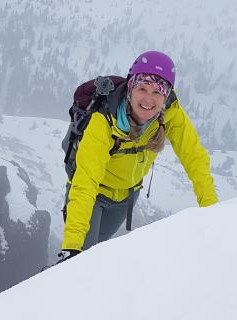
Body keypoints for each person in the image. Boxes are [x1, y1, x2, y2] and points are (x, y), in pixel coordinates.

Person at [60, 51, 218, 260]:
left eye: (157, 92)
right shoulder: (105, 120)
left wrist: (212, 213)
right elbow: (86, 180)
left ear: (166, 95)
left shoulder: (171, 114)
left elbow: (194, 157)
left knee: (96, 253)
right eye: (142, 88)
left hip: (126, 198)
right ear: (130, 88)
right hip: (93, 195)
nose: (148, 99)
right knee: (79, 259)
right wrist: (71, 245)